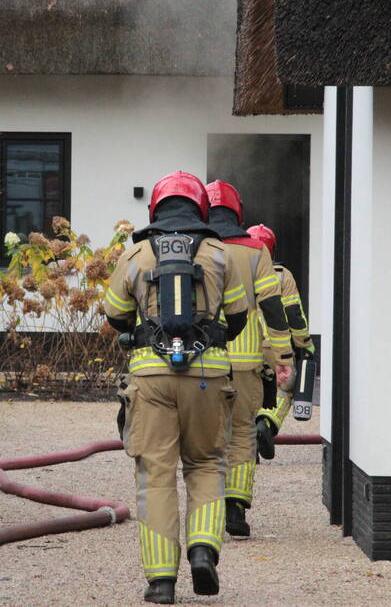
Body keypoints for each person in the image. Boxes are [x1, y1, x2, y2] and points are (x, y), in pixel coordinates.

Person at [104, 171, 248, 604]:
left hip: (150, 379)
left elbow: (115, 315)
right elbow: (239, 317)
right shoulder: (221, 254)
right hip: (208, 376)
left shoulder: (136, 254)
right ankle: (203, 549)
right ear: (202, 209)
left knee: (156, 475)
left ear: (155, 209)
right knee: (206, 464)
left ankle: (161, 581)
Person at [205, 181, 293, 539]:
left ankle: (204, 515)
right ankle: (235, 507)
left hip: (204, 362)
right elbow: (273, 308)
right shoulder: (257, 251)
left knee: (206, 437)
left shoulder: (198, 247)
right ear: (238, 210)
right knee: (242, 433)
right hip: (247, 363)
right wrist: (284, 356)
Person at [246, 224, 315, 458]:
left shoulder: (234, 270)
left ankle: (244, 440)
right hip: (276, 347)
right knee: (284, 388)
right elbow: (294, 314)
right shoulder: (282, 275)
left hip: (242, 347)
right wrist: (305, 344)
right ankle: (266, 423)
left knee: (243, 393)